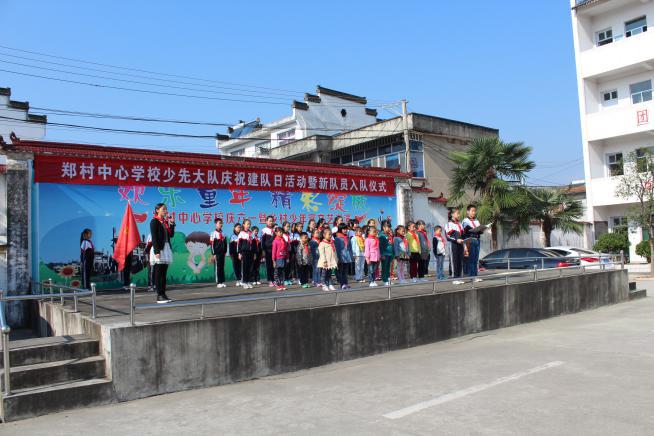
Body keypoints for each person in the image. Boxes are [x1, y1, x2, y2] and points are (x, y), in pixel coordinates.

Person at [149, 203, 175, 303]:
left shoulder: (164, 222)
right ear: (157, 210)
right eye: (163, 209)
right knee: (158, 272)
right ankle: (159, 295)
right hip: (159, 248)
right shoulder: (154, 221)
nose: (165, 211)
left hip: (166, 247)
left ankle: (163, 294)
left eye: (166, 209)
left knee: (164, 273)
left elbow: (171, 235)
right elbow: (154, 237)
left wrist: (172, 224)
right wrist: (156, 251)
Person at [462, 205, 482, 280]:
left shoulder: (477, 221)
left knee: (476, 259)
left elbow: (479, 231)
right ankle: (471, 276)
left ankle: (475, 275)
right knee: (471, 258)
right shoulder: (465, 221)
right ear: (468, 211)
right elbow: (465, 232)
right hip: (470, 240)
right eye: (472, 211)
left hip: (477, 240)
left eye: (474, 211)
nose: (474, 212)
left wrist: (481, 230)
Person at [446, 209, 465, 284]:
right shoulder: (449, 224)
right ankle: (455, 278)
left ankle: (459, 277)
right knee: (454, 261)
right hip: (454, 244)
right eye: (457, 213)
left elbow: (463, 235)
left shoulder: (460, 224)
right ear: (452, 214)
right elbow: (448, 236)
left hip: (461, 244)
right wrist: (456, 240)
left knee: (460, 261)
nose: (459, 215)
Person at [238, 219, 256, 289]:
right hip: (244, 252)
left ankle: (249, 281)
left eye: (249, 224)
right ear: (243, 225)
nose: (249, 225)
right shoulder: (241, 233)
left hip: (251, 252)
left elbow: (254, 244)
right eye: (247, 224)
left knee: (250, 267)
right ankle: (244, 282)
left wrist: (254, 253)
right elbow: (239, 244)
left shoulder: (252, 233)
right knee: (245, 267)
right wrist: (239, 253)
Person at [318, 228, 337, 292]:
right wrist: (324, 261)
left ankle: (330, 284)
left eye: (331, 234)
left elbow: (334, 252)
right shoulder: (322, 244)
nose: (330, 236)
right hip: (325, 263)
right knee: (324, 274)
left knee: (329, 274)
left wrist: (336, 259)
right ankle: (324, 285)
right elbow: (322, 253)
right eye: (329, 234)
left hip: (330, 262)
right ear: (324, 235)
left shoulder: (332, 243)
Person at [334, 223, 352, 290]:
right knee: (340, 271)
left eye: (346, 229)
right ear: (340, 229)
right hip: (341, 257)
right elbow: (337, 249)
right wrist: (338, 258)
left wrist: (351, 257)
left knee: (345, 271)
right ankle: (342, 284)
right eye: (343, 229)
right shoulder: (337, 238)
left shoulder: (347, 237)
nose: (345, 230)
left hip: (347, 257)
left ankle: (346, 283)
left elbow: (350, 248)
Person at [210, 218, 227, 288]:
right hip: (217, 253)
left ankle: (222, 281)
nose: (221, 224)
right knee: (218, 267)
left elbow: (225, 243)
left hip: (223, 253)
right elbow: (212, 244)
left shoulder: (223, 233)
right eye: (219, 223)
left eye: (221, 223)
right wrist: (214, 253)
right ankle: (218, 282)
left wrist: (225, 251)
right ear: (216, 224)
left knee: (222, 267)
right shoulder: (213, 233)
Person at [261, 215, 276, 287]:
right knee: (269, 265)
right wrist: (263, 250)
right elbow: (263, 242)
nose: (271, 222)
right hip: (268, 250)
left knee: (275, 266)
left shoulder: (276, 230)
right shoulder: (264, 230)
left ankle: (274, 279)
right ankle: (270, 280)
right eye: (269, 221)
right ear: (266, 222)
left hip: (275, 250)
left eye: (272, 221)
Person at [272, 226, 288, 291]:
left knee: (283, 272)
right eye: (279, 232)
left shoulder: (283, 240)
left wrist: (287, 257)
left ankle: (282, 284)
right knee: (277, 272)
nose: (281, 233)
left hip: (283, 258)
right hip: (278, 258)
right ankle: (278, 285)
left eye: (282, 232)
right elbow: (274, 251)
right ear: (276, 233)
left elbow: (286, 249)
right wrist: (273, 260)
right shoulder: (275, 241)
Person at [379, 220, 394, 286]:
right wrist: (382, 254)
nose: (389, 228)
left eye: (390, 227)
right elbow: (380, 246)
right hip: (384, 254)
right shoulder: (381, 235)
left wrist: (393, 254)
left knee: (388, 268)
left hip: (390, 254)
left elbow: (391, 244)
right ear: (383, 227)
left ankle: (388, 279)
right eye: (388, 227)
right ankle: (384, 280)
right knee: (384, 267)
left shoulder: (389, 235)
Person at [282, 221, 293, 286]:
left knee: (289, 266)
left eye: (289, 226)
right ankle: (284, 279)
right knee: (284, 266)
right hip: (284, 252)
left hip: (289, 251)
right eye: (287, 226)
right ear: (283, 227)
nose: (288, 228)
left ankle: (288, 279)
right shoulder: (282, 234)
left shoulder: (290, 234)